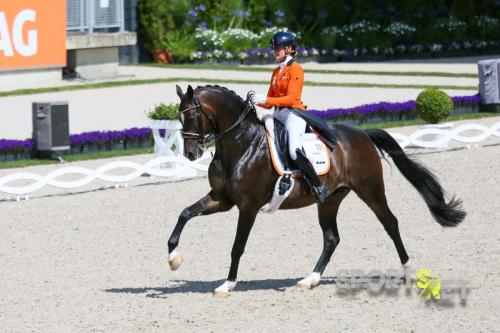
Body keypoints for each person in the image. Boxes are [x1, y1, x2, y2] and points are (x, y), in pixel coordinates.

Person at [249, 31, 328, 203]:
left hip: (294, 115)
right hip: (278, 114)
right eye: (274, 49)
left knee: (293, 150)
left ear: (289, 48)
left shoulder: (296, 69)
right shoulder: (276, 72)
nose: (274, 52)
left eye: (277, 49)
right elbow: (269, 103)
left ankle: (318, 185)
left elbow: (292, 99)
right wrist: (255, 100)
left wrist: (266, 99)